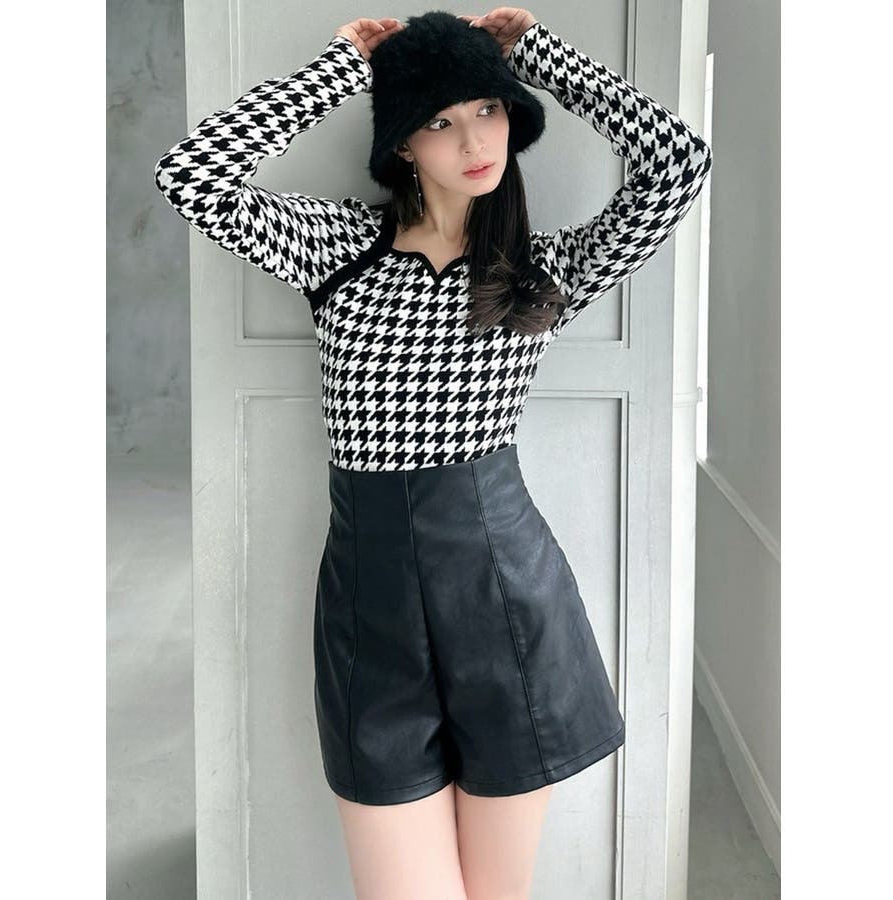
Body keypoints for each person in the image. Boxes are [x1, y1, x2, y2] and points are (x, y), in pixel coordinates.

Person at [153, 7, 712, 899]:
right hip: (371, 604)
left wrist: (538, 56)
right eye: (440, 121)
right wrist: (345, 70)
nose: (474, 140)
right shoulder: (340, 248)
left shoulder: (540, 269)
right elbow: (193, 176)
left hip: (505, 600)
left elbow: (681, 162)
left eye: (487, 110)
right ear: (404, 145)